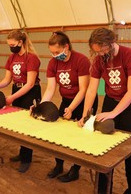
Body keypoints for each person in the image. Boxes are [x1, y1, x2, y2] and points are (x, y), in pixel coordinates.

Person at [78, 27, 131, 194]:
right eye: (97, 52)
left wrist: (114, 113)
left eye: (103, 50)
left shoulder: (130, 55)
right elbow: (92, 89)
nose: (100, 54)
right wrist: (86, 115)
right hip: (110, 101)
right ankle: (103, 190)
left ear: (111, 42)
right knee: (104, 150)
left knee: (130, 150)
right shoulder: (99, 60)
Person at [41, 31, 98, 183]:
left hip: (83, 101)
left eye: (57, 52)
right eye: (52, 52)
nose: (55, 55)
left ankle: (75, 169)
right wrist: (41, 106)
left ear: (66, 47)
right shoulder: (53, 63)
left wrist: (72, 109)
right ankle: (58, 165)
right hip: (67, 100)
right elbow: (50, 88)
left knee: (80, 136)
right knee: (58, 133)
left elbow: (83, 89)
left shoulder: (81, 60)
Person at [0, 29, 41, 173]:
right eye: (9, 45)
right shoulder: (11, 57)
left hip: (30, 92)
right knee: (19, 124)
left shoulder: (31, 58)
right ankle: (22, 152)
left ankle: (27, 158)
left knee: (27, 126)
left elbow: (30, 83)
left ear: (20, 42)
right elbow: (7, 79)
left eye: (12, 44)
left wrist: (12, 98)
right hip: (16, 90)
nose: (11, 47)